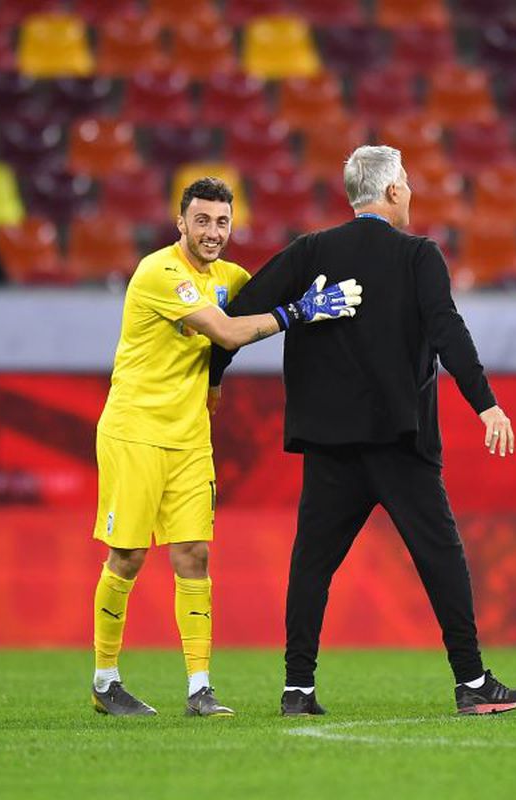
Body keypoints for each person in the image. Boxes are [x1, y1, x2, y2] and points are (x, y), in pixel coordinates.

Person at [211, 145, 516, 717]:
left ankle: (297, 688)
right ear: (391, 192)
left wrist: (214, 376)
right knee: (440, 557)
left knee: (312, 563)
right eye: (404, 181)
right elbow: (447, 329)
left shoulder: (311, 251)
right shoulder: (418, 255)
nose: (409, 190)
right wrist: (486, 404)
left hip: (329, 445)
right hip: (399, 441)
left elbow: (236, 314)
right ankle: (471, 682)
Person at [89, 177, 362, 717]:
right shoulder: (160, 272)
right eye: (203, 221)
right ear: (180, 223)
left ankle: (199, 689)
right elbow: (229, 334)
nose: (213, 232)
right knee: (129, 555)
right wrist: (301, 311)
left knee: (194, 554)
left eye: (222, 222)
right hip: (134, 430)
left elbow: (278, 286)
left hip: (191, 438)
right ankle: (105, 680)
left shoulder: (229, 277)